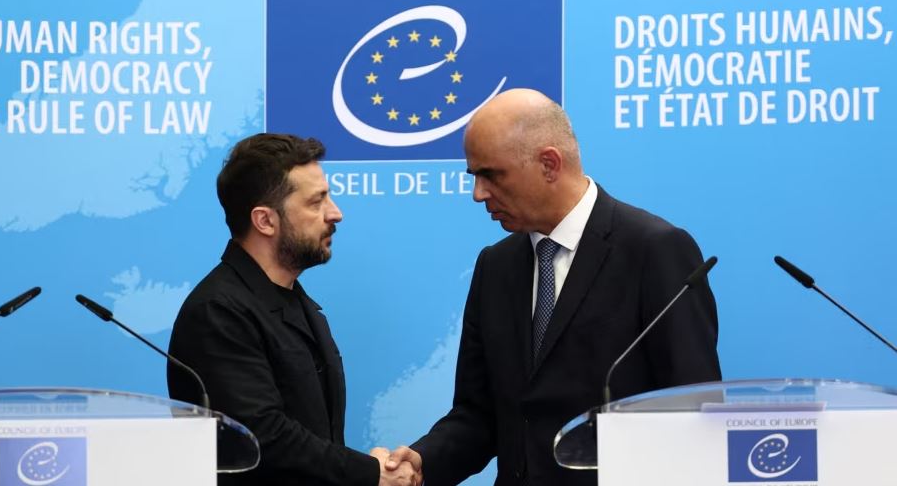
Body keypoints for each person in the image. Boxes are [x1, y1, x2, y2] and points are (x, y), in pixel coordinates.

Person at [382, 89, 721, 485]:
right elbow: (479, 414)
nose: (478, 194)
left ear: (549, 164)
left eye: (491, 175)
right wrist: (423, 462)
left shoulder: (653, 250)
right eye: (474, 176)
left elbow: (693, 410)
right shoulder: (495, 266)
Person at [168, 133, 420, 486]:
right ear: (265, 221)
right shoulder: (217, 312)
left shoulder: (296, 302)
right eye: (316, 202)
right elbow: (263, 436)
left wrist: (374, 470)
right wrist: (369, 472)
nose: (335, 213)